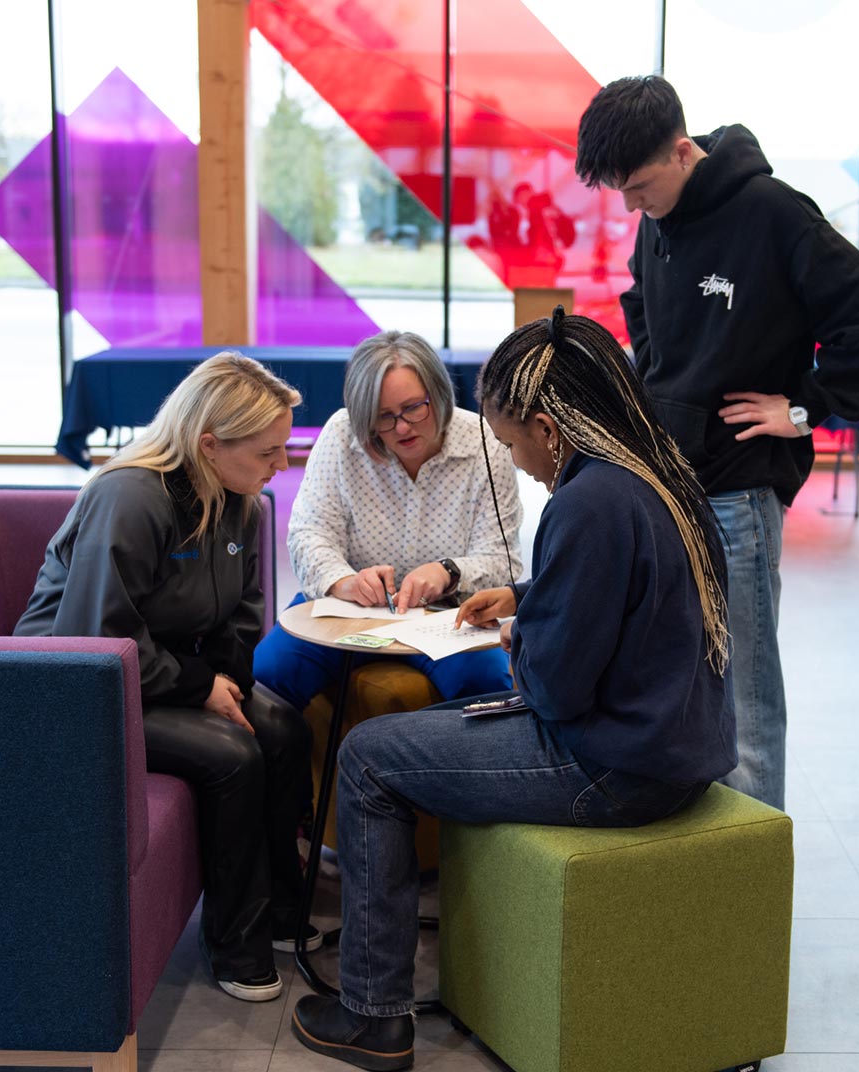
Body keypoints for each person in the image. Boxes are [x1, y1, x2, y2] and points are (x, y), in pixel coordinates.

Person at [289, 308, 736, 1071]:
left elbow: (555, 692)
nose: (513, 458)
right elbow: (627, 597)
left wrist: (519, 636)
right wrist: (531, 596)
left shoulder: (585, 503)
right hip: (674, 747)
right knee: (438, 724)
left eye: (509, 438)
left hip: (614, 767)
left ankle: (372, 1014)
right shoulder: (652, 470)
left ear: (547, 426)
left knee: (366, 759)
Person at [575, 75, 859, 810]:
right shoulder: (655, 217)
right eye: (620, 194)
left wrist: (802, 409)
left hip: (738, 493)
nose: (631, 205)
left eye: (638, 186)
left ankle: (752, 884)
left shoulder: (775, 214)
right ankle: (709, 859)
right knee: (682, 673)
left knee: (745, 692)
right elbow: (643, 304)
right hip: (670, 480)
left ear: (683, 150)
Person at [15, 352, 314, 1004]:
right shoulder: (127, 497)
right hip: (80, 684)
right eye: (269, 451)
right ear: (209, 444)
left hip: (163, 668)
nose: (282, 465)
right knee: (233, 755)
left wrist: (225, 682)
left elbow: (242, 616)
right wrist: (201, 688)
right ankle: (236, 947)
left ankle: (286, 914)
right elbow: (93, 637)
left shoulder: (243, 504)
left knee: (284, 730)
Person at [252, 329, 523, 711]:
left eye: (414, 408)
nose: (401, 427)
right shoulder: (342, 436)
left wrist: (447, 572)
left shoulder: (484, 445)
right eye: (384, 417)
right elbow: (309, 534)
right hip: (351, 609)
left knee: (485, 683)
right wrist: (344, 582)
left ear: (438, 393)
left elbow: (503, 562)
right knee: (268, 674)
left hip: (446, 616)